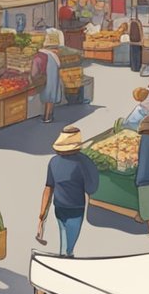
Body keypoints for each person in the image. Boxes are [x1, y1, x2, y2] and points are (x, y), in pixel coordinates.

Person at [37, 127, 100, 258]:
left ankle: (63, 256)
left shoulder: (53, 162)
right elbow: (92, 187)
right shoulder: (84, 161)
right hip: (76, 207)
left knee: (64, 234)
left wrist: (42, 214)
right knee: (70, 242)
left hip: (59, 206)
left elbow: (48, 187)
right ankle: (67, 258)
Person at [34, 29, 65, 123]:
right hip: (51, 80)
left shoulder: (41, 55)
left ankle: (47, 116)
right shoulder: (53, 56)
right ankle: (48, 116)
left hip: (45, 79)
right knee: (50, 99)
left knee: (48, 98)